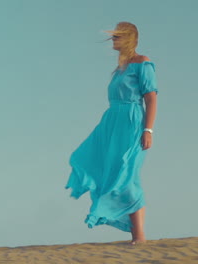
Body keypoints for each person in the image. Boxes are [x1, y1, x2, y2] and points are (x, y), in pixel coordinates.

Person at [65, 21, 158, 245]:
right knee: (87, 159)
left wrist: (148, 129)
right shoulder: (119, 69)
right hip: (111, 123)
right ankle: (136, 234)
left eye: (117, 37)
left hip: (131, 122)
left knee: (127, 175)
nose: (113, 41)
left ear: (128, 38)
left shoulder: (142, 63)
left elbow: (151, 97)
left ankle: (140, 236)